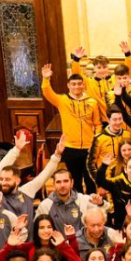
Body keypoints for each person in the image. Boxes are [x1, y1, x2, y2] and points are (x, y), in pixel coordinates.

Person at [42, 63, 104, 192]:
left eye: (79, 84)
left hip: (89, 147)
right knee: (75, 180)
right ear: (68, 86)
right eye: (74, 84)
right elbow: (47, 92)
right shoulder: (62, 100)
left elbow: (98, 124)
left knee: (90, 179)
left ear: (83, 85)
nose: (77, 87)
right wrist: (46, 79)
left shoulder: (92, 102)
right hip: (70, 147)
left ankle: (91, 207)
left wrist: (96, 140)